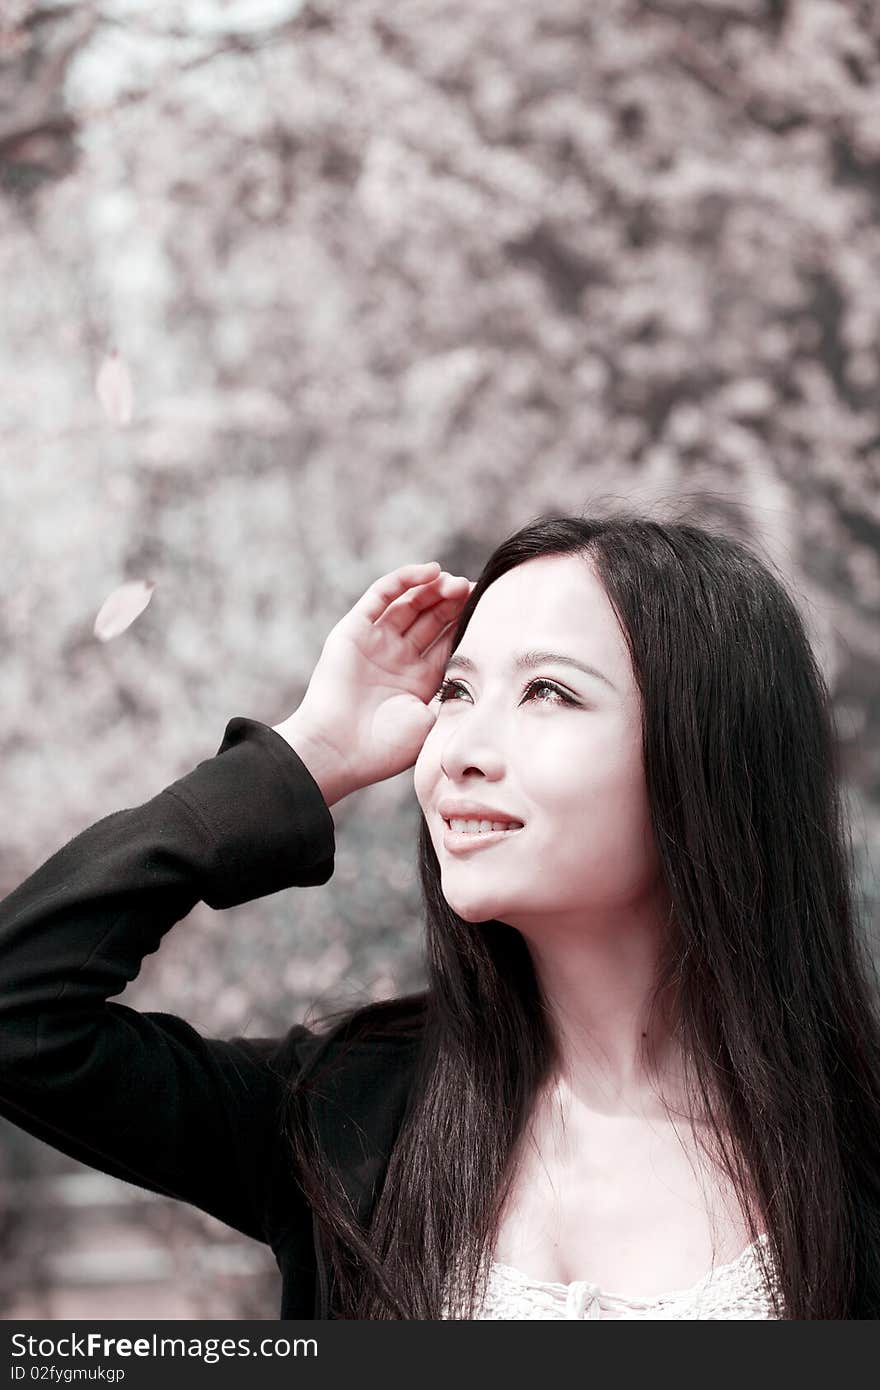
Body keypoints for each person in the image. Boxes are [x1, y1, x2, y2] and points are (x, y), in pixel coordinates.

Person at [1, 511, 879, 1320]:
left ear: (710, 751)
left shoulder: (854, 1149)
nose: (457, 751)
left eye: (548, 693)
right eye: (456, 694)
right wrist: (309, 754)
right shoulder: (346, 1119)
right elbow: (20, 1011)